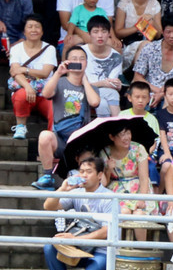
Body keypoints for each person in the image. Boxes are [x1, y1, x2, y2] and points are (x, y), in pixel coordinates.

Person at [40, 159, 114, 270]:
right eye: (81, 171)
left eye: (89, 171)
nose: (84, 175)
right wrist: (63, 188)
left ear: (100, 175)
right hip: (79, 249)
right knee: (50, 247)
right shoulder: (76, 192)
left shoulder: (109, 197)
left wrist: (76, 238)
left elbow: (107, 231)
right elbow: (48, 206)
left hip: (101, 252)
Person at [32, 46, 100, 190]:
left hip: (81, 141)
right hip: (61, 138)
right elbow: (46, 93)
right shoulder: (60, 82)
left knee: (87, 164)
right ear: (67, 61)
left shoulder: (90, 87)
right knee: (44, 135)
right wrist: (58, 73)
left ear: (87, 63)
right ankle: (47, 176)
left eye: (82, 59)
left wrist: (85, 81)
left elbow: (95, 102)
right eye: (74, 59)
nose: (78, 61)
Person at [8, 15, 57, 142]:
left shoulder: (49, 49)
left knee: (55, 107)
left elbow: (45, 73)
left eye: (37, 27)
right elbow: (15, 72)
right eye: (30, 27)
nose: (33, 30)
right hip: (26, 91)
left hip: (45, 92)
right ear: (24, 31)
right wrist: (28, 86)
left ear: (42, 31)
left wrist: (25, 69)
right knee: (21, 94)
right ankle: (20, 127)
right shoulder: (16, 48)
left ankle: (53, 137)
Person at [132, 12, 173, 106]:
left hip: (172, 94)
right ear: (162, 32)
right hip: (149, 91)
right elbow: (137, 77)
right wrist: (158, 91)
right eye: (168, 32)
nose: (172, 36)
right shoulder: (149, 48)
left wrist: (162, 94)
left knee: (171, 101)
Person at [83, 15, 122, 117]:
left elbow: (111, 84)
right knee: (112, 94)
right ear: (89, 34)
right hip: (83, 91)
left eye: (104, 31)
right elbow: (77, 82)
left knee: (103, 103)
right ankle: (118, 125)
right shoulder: (81, 52)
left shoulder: (116, 57)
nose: (100, 36)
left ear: (109, 34)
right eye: (95, 32)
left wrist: (117, 85)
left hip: (105, 95)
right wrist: (102, 83)